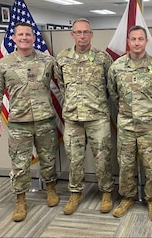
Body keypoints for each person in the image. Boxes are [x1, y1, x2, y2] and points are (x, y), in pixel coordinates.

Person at [0, 22, 59, 222]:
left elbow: (64, 85)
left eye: (28, 34)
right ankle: (20, 199)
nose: (24, 37)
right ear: (14, 38)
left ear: (33, 37)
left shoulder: (47, 61)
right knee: (19, 164)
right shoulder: (4, 63)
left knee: (49, 159)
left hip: (45, 120)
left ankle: (50, 188)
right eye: (20, 35)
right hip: (19, 122)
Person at [107, 25, 152, 222]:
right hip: (126, 125)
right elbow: (113, 93)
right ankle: (127, 197)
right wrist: (128, 112)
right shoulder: (116, 66)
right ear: (128, 41)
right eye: (133, 39)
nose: (136, 43)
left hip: (150, 126)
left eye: (140, 39)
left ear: (146, 41)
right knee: (125, 164)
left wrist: (151, 111)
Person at [55, 18, 115, 215]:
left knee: (103, 158)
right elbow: (61, 85)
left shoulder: (103, 58)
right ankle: (75, 193)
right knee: (74, 159)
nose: (82, 36)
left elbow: (111, 86)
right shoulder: (62, 58)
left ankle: (106, 192)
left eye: (85, 32)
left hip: (98, 117)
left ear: (91, 34)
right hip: (73, 119)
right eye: (78, 32)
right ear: (72, 34)